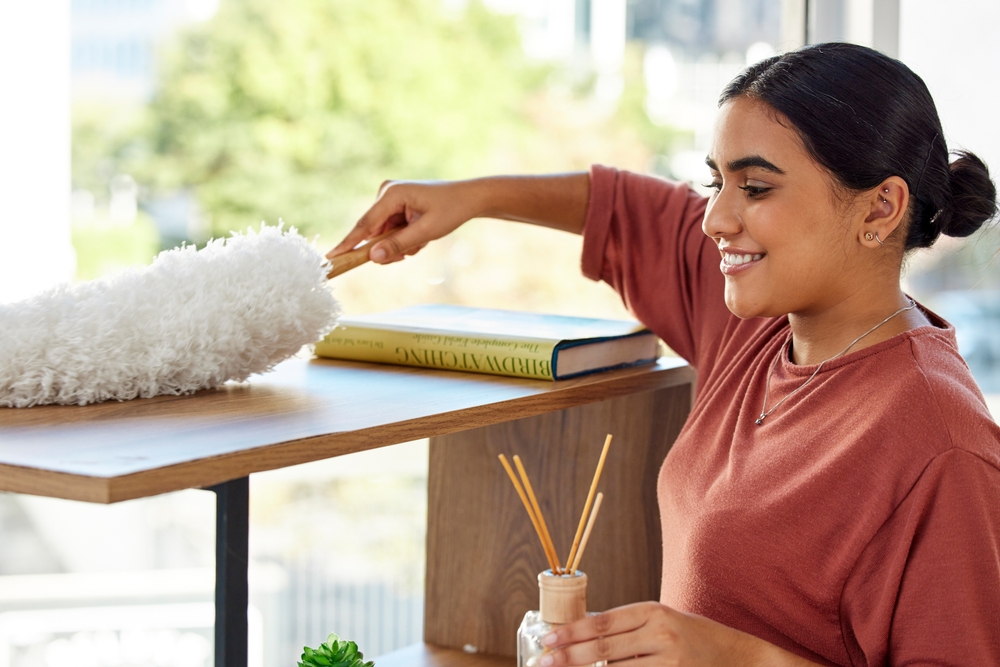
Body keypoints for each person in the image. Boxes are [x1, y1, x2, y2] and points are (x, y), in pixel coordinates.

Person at [328, 43, 1000, 666]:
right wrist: (471, 198)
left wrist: (735, 656)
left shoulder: (943, 444)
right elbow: (623, 209)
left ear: (880, 208)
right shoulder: (758, 322)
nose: (715, 218)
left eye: (756, 188)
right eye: (717, 184)